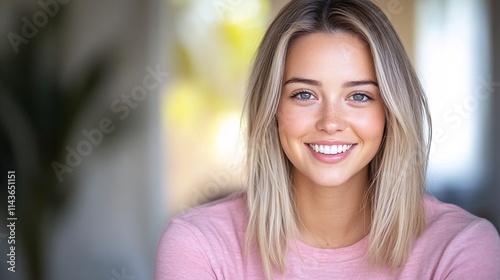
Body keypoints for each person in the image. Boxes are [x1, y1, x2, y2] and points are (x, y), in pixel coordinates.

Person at [155, 0, 500, 279]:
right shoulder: (199, 246)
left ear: (391, 112)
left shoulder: (460, 247)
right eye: (304, 94)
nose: (331, 123)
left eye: (360, 96)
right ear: (272, 108)